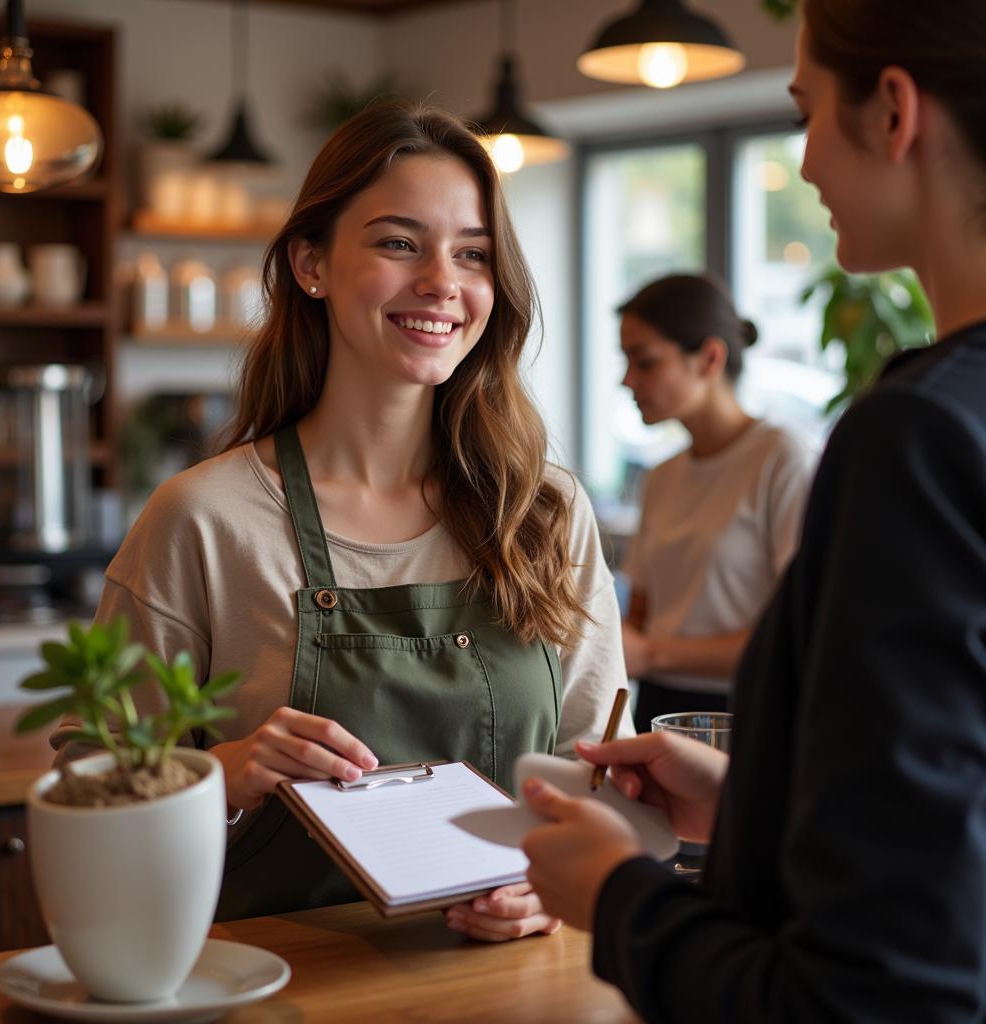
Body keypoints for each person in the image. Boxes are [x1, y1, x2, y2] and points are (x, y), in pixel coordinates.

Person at [52, 102, 629, 935]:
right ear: (311, 264)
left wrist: (553, 878)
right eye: (399, 243)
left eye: (472, 254)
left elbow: (596, 766)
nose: (442, 280)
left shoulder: (542, 512)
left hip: (514, 982)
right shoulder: (205, 521)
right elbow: (88, 785)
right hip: (278, 984)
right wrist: (225, 769)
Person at [521, 0, 986, 1017]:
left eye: (802, 107)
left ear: (894, 111)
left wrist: (616, 896)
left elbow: (875, 994)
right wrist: (757, 803)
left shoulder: (916, 440)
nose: (806, 158)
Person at [616, 274, 814, 729]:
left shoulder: (781, 458)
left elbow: (798, 630)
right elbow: (642, 614)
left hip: (751, 709)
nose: (627, 381)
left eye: (644, 362)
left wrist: (653, 654)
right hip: (660, 710)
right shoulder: (662, 475)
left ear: (709, 358)